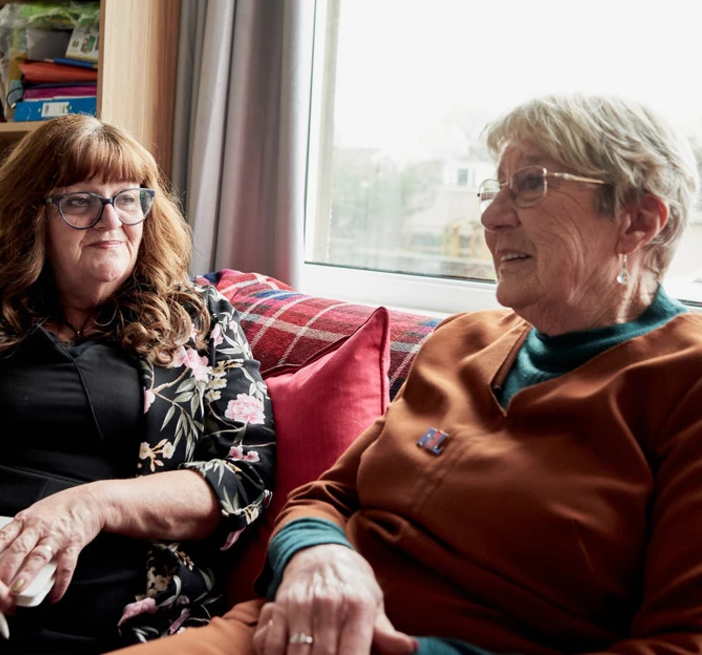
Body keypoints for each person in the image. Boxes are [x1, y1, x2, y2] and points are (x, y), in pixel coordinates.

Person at [111, 93, 702, 655]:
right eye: (495, 189)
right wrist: (318, 556)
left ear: (637, 220)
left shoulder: (683, 381)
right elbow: (327, 496)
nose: (492, 218)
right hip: (284, 633)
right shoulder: (463, 341)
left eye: (530, 186)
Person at [0, 114, 275, 654]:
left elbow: (244, 478)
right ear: (33, 217)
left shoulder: (199, 320)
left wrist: (90, 505)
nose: (110, 221)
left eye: (128, 199)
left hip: (112, 609)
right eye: (79, 201)